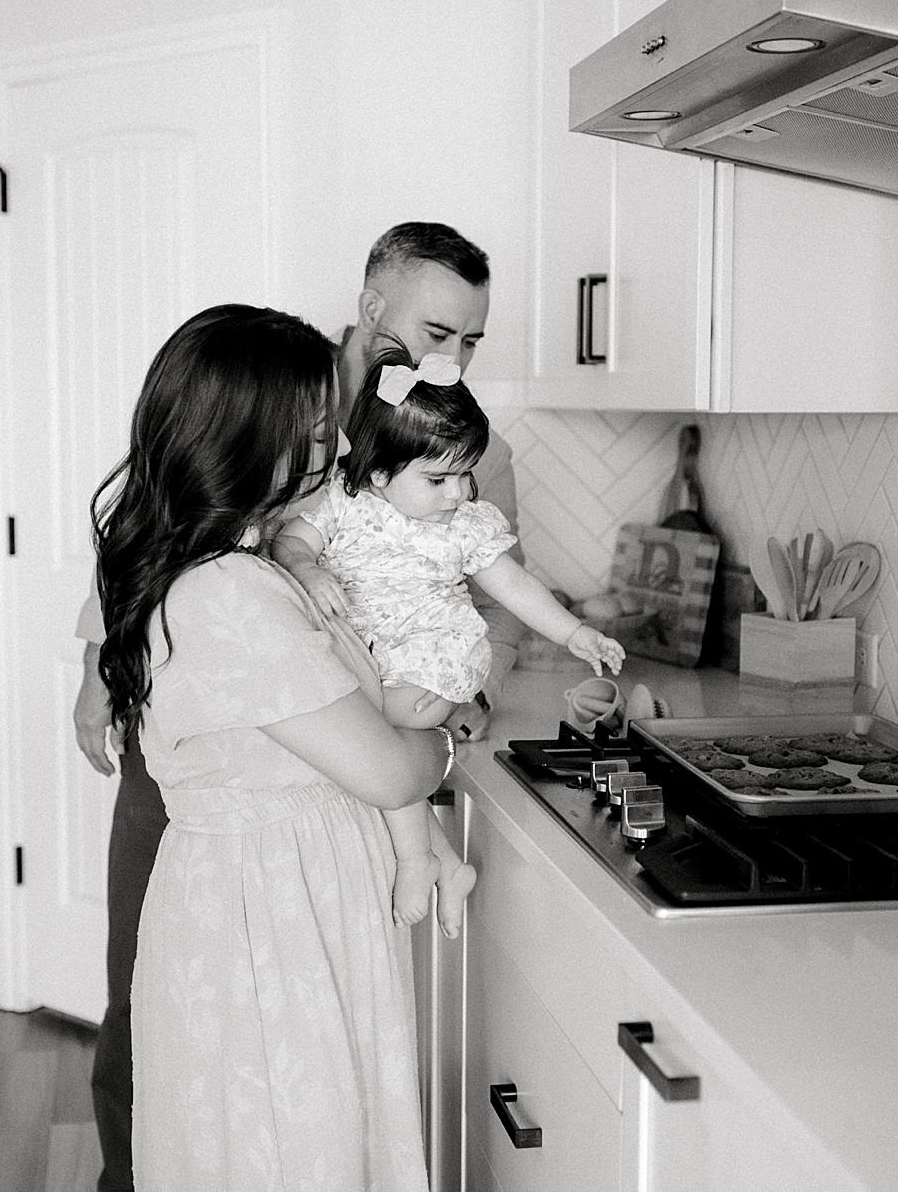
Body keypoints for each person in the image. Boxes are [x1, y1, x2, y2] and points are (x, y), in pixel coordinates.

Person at [71, 222, 514, 1192]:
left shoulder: (433, 449)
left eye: (472, 339)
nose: (453, 356)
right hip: (261, 868)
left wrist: (454, 694)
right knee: (257, 1112)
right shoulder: (235, 568)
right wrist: (438, 746)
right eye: (439, 330)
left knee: (269, 1120)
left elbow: (466, 605)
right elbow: (384, 762)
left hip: (296, 835)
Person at [274, 346, 622, 934]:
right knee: (372, 745)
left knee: (367, 739)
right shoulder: (342, 503)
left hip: (430, 659)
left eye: (465, 474)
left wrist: (575, 632)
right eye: (438, 479)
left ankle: (416, 861)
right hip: (374, 660)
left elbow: (516, 587)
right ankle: (447, 865)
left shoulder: (464, 526)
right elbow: (290, 544)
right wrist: (309, 570)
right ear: (379, 473)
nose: (458, 493)